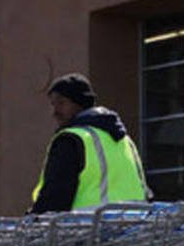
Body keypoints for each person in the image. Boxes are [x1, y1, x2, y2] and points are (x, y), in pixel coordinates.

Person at [30, 72, 150, 213]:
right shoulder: (125, 140)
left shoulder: (71, 139)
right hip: (132, 228)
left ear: (80, 103)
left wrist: (34, 219)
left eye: (61, 103)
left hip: (88, 228)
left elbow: (54, 197)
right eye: (53, 104)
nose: (55, 111)